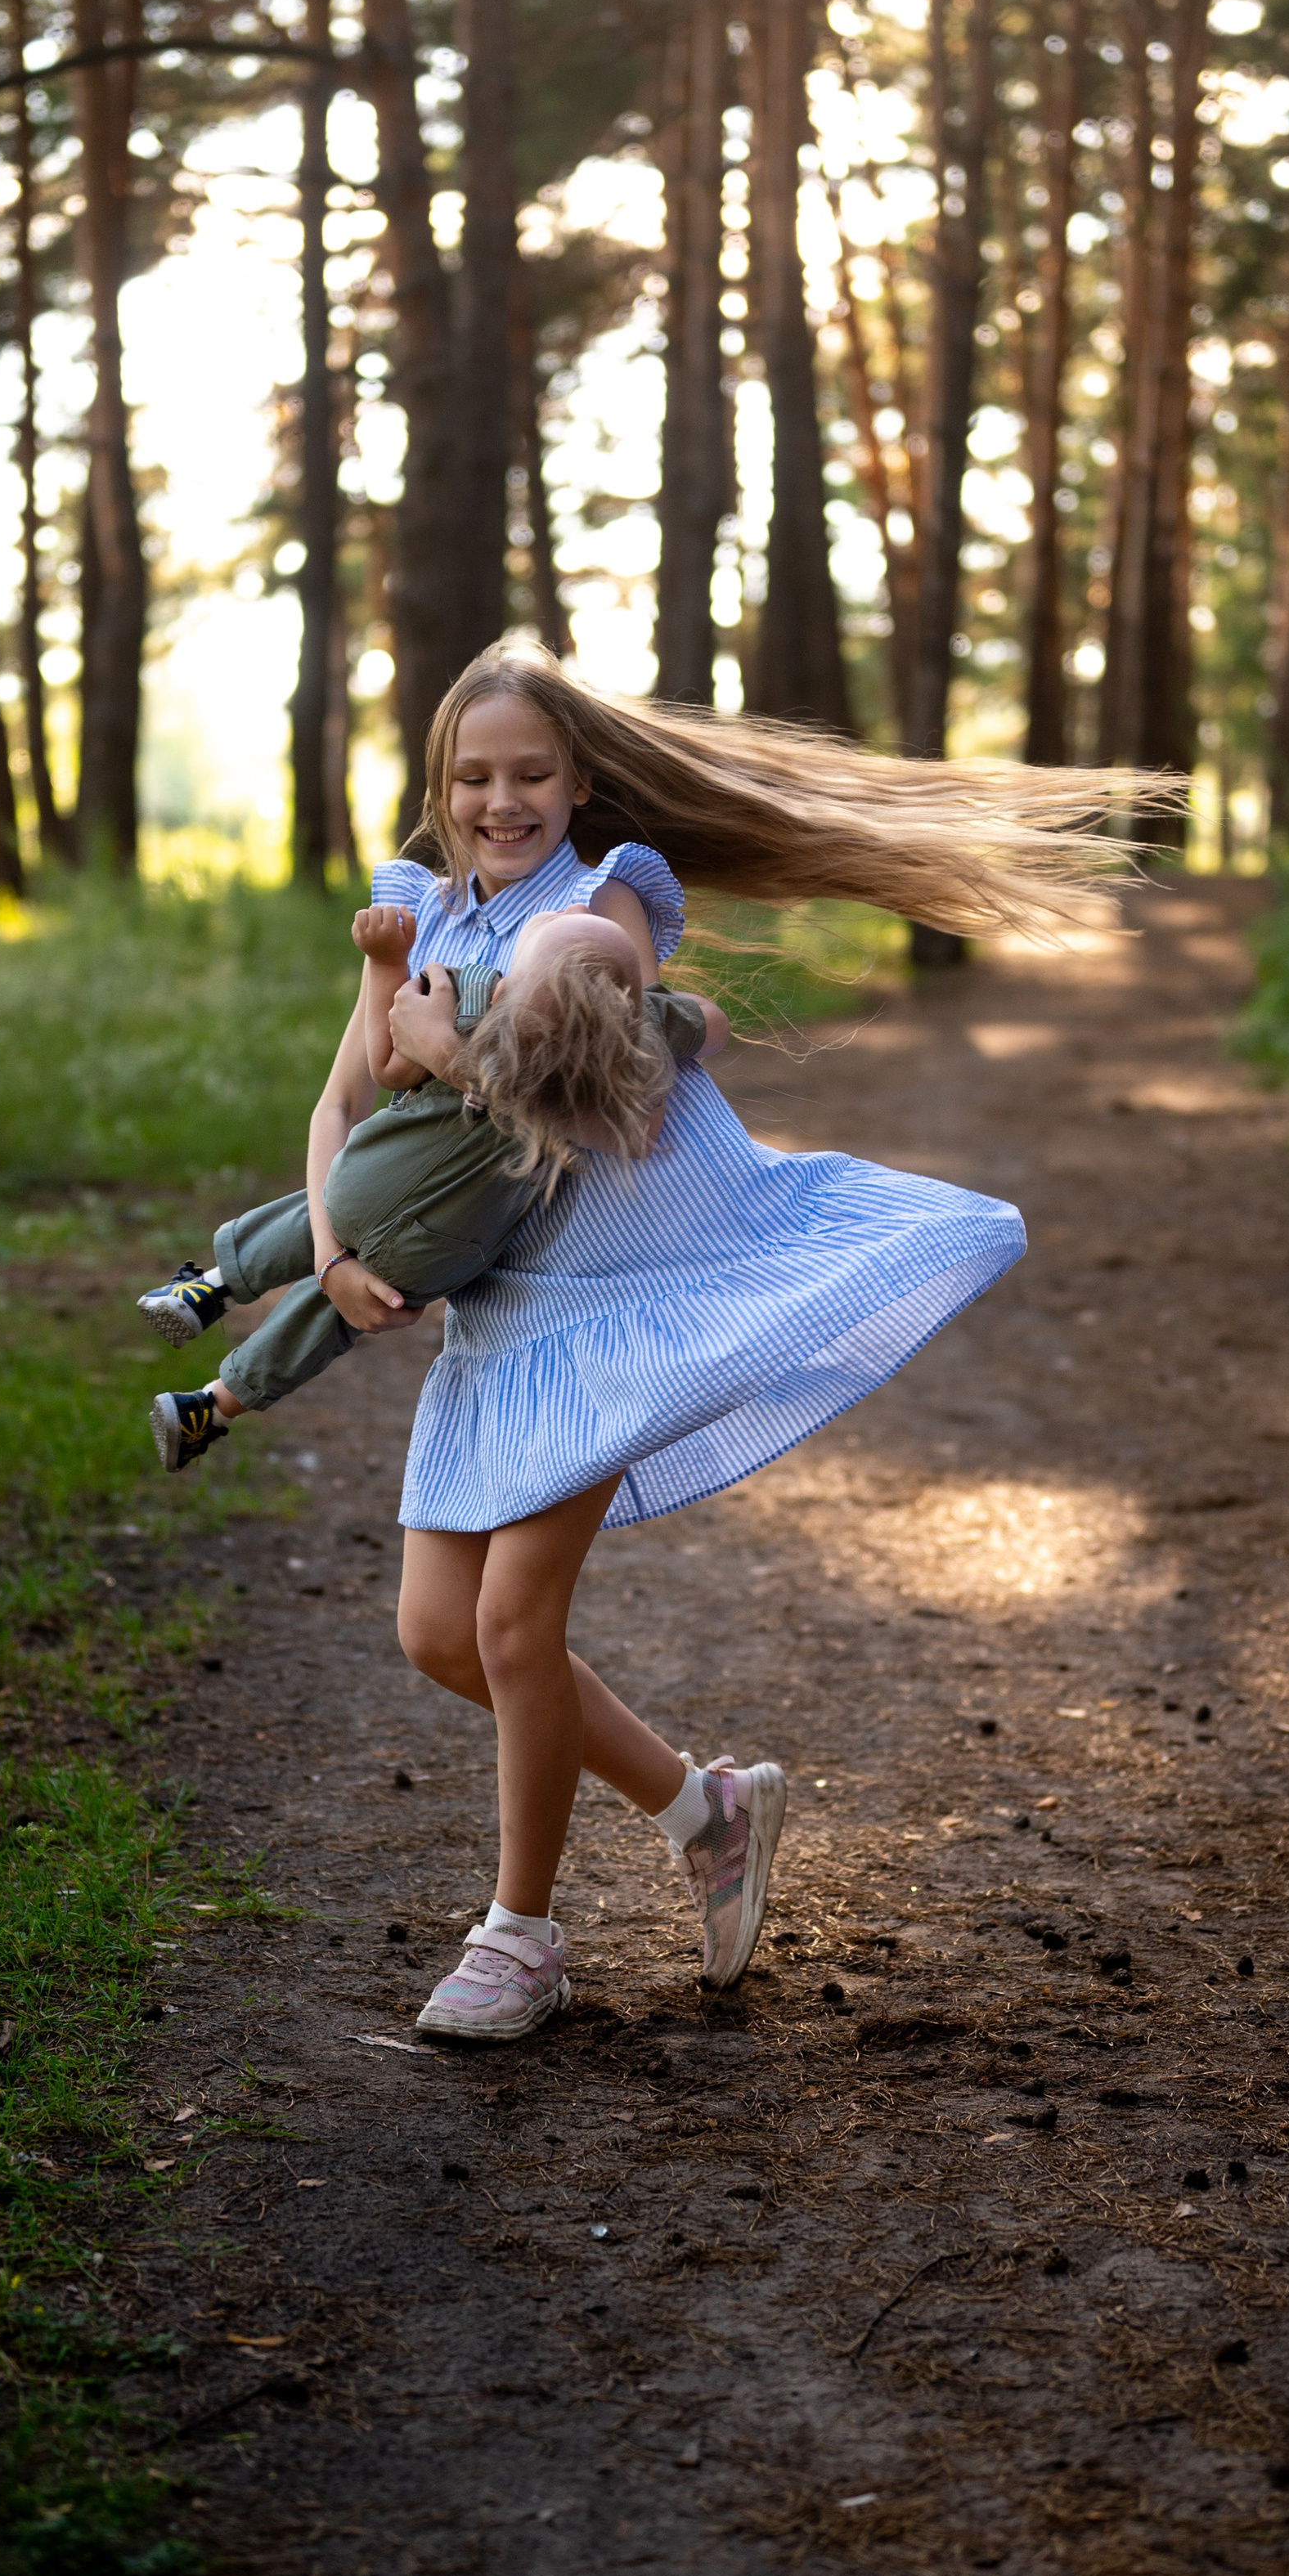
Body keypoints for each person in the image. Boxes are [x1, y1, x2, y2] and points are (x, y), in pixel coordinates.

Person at [186, 640, 1146, 2044]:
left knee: (514, 1625)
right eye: (475, 777)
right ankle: (708, 1811)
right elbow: (339, 1107)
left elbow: (620, 1106)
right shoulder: (420, 916)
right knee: (439, 1636)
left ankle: (520, 1938)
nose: (503, 800)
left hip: (614, 1309)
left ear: (579, 781)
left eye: (531, 773)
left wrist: (453, 1055)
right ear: (441, 790)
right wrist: (329, 1256)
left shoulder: (605, 905)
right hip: (502, 1318)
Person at [141, 903, 725, 1473]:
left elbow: (386, 1064)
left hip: (370, 1181)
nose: (569, 907)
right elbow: (712, 1029)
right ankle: (211, 1407)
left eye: (553, 922)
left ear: (506, 990)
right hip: (443, 1251)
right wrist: (648, 1018)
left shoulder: (470, 1000)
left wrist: (385, 962)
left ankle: (209, 1288)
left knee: (313, 1215)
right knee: (328, 1317)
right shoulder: (623, 1054)